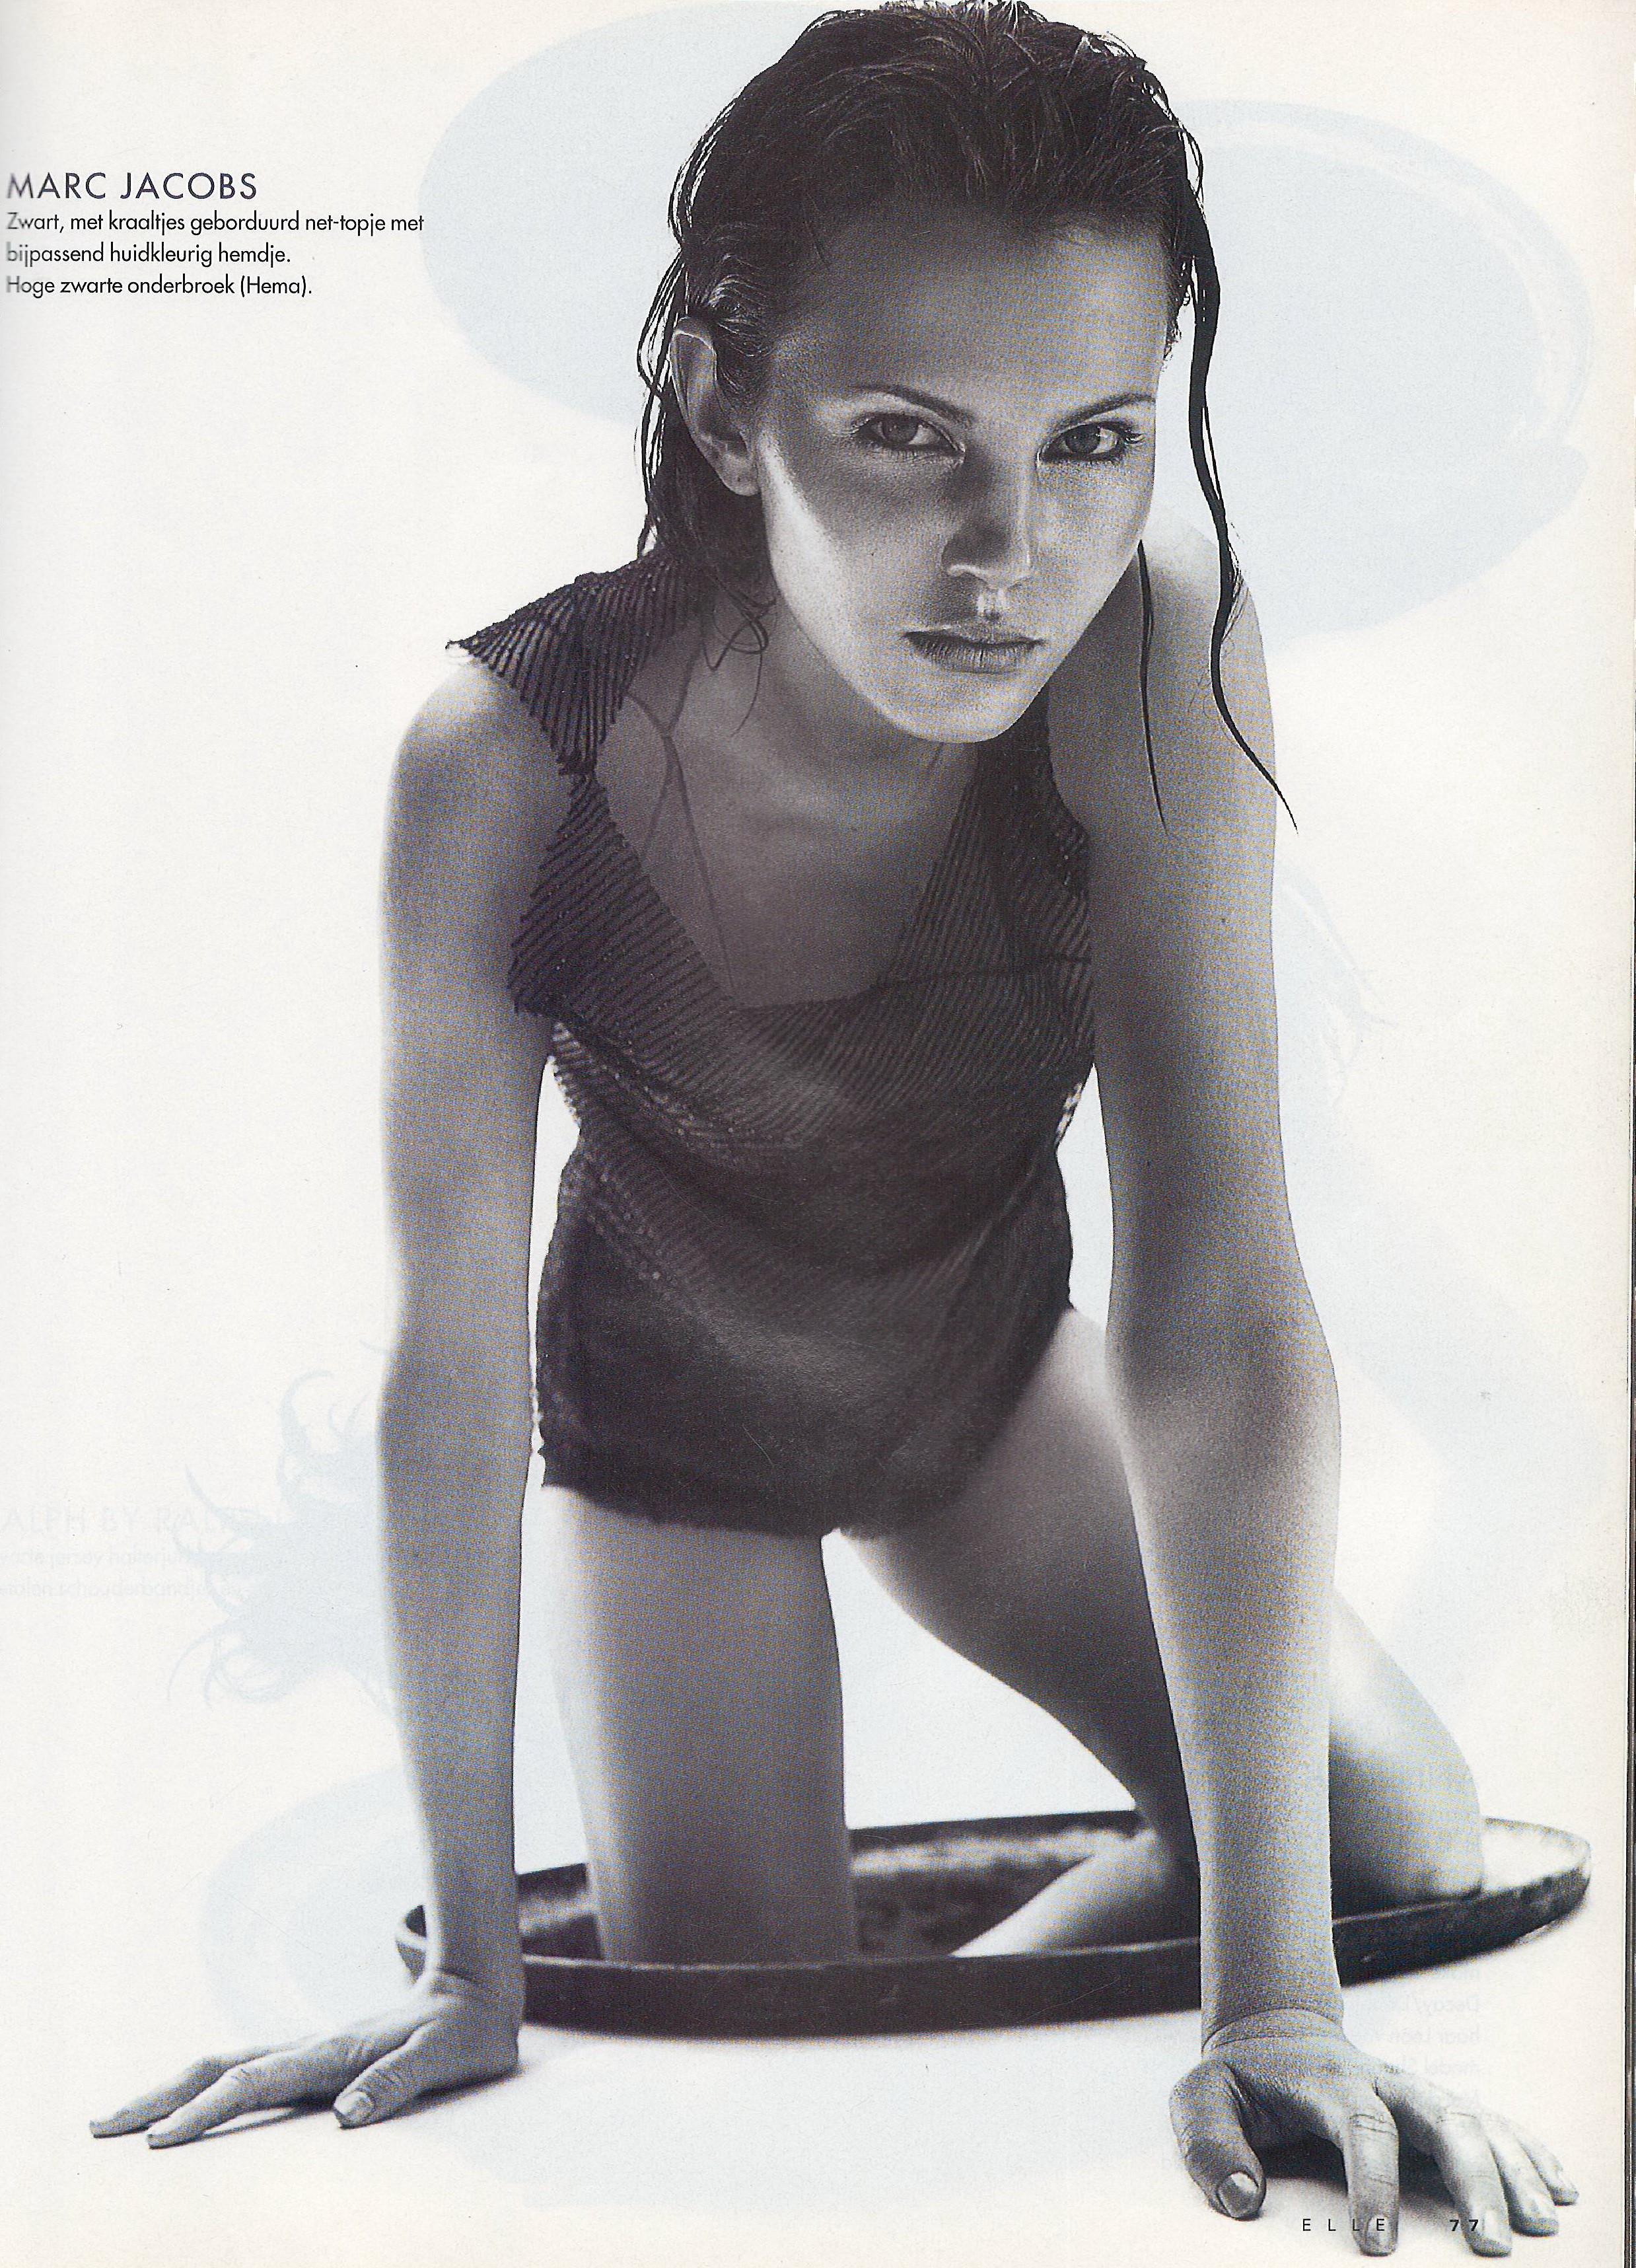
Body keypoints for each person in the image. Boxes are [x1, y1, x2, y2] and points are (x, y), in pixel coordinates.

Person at [92, 4, 1576, 2251]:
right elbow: (446, 1364)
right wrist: (478, 1961)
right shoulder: (503, 756)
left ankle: (1034, 1957)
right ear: (722, 400)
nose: (1011, 550)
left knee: (1403, 1840)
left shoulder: (1152, 656)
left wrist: (1268, 2000)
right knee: (742, 2045)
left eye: (1095, 441)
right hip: (667, 1441)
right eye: (906, 436)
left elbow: (1217, 1289)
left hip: (982, 1380)